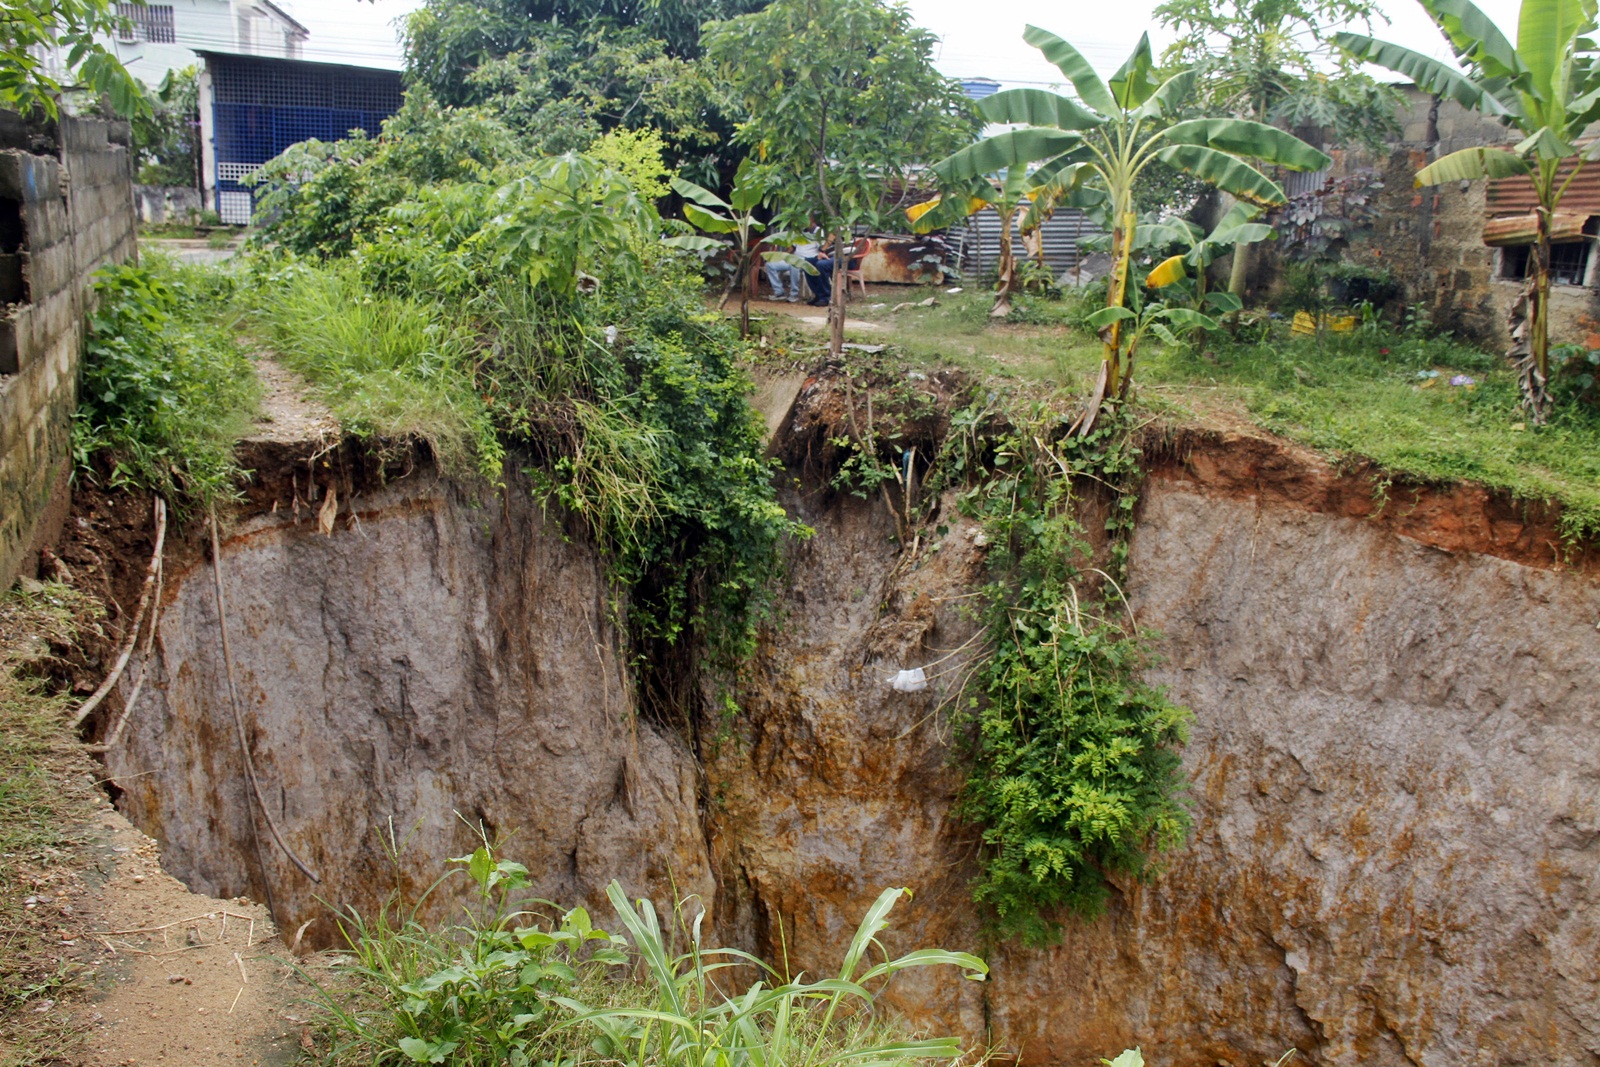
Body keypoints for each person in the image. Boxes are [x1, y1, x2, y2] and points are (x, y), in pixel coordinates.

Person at [796, 231, 834, 307]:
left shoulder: (840, 228)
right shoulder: (824, 230)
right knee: (807, 263)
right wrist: (822, 253)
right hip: (829, 256)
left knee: (821, 265)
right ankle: (818, 294)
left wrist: (823, 251)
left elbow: (831, 238)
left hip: (842, 257)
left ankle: (826, 296)